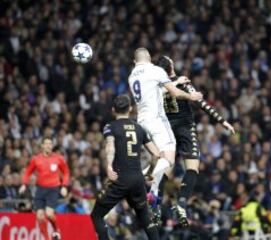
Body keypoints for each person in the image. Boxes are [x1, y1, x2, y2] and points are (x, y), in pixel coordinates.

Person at [156, 55, 235, 226]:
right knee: (192, 168)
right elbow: (202, 104)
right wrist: (223, 121)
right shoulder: (181, 80)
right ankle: (182, 202)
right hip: (185, 127)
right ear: (171, 66)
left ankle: (155, 204)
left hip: (167, 130)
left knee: (166, 170)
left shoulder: (157, 87)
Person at [128, 48, 203, 220]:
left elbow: (156, 92)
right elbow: (174, 93)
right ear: (149, 58)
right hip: (157, 121)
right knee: (168, 159)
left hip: (142, 122)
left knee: (157, 159)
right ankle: (145, 184)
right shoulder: (156, 71)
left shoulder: (132, 76)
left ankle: (151, 195)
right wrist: (191, 97)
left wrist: (174, 84)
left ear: (134, 62)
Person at [90, 95, 161, 240]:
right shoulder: (140, 128)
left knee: (96, 215)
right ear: (130, 109)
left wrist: (109, 166)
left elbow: (110, 147)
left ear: (113, 110)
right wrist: (150, 173)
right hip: (137, 179)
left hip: (120, 179)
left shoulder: (110, 127)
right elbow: (156, 154)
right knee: (145, 218)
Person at [19, 137, 70, 240]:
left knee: (49, 213)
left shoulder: (58, 158)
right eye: (46, 144)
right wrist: (24, 184)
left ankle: (56, 230)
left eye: (50, 144)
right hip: (40, 189)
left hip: (53, 189)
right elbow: (28, 172)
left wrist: (64, 186)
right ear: (42, 146)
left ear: (52, 146)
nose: (48, 146)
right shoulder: (36, 159)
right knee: (40, 216)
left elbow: (66, 172)